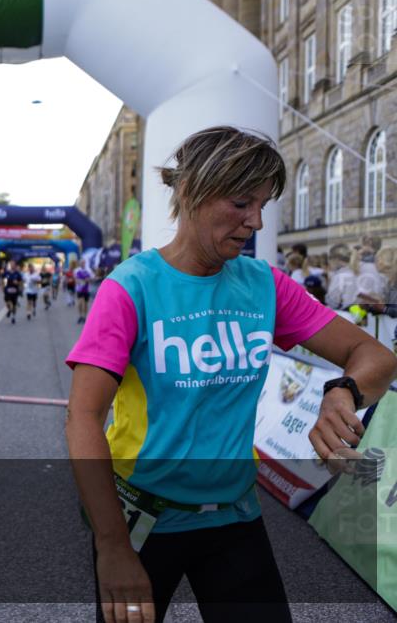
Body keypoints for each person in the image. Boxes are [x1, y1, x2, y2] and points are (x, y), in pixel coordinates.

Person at [65, 126, 397, 623]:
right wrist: (111, 547)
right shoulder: (130, 287)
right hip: (143, 517)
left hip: (234, 514)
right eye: (242, 202)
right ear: (190, 192)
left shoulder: (263, 283)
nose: (255, 221)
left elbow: (374, 355)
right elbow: (82, 419)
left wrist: (342, 392)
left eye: (263, 204)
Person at [325, 243, 358, 309]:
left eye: (329, 258)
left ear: (336, 259)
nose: (329, 262)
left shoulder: (339, 277)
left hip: (346, 314)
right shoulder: (357, 271)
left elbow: (333, 303)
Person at [2, 260, 23, 324]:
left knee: (14, 305)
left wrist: (19, 284)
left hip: (15, 290)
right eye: (11, 264)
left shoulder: (17, 273)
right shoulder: (6, 273)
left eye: (13, 264)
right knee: (7, 302)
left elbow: (21, 282)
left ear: (15, 265)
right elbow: (2, 279)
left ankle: (13, 317)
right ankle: (9, 309)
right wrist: (2, 286)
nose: (12, 265)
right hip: (7, 290)